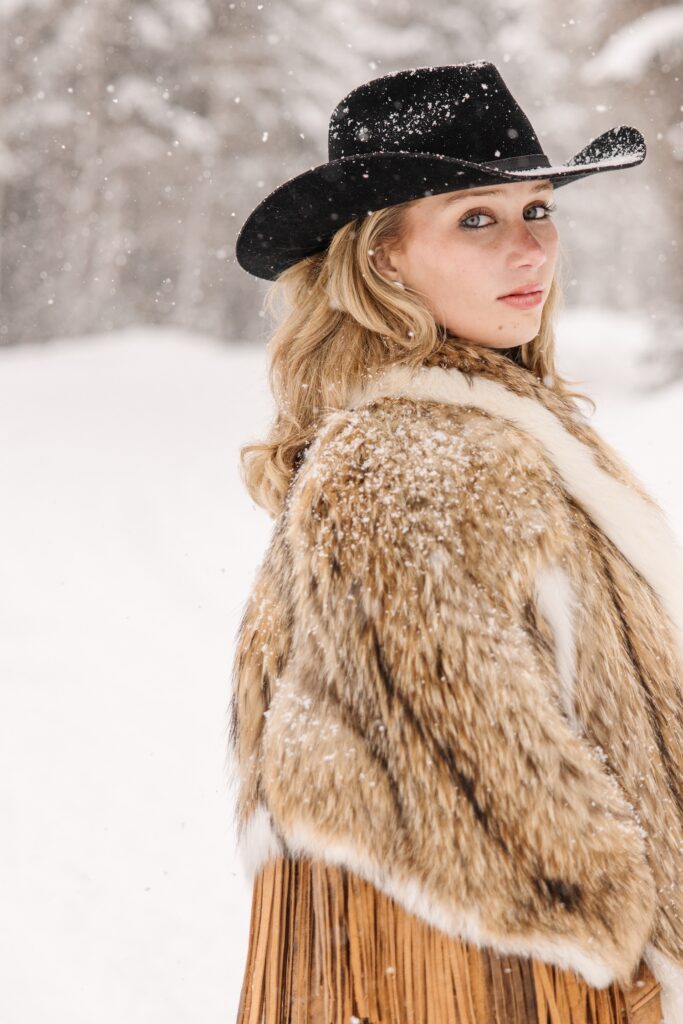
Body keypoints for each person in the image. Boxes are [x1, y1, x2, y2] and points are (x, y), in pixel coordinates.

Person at [229, 61, 682, 1023]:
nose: (531, 247)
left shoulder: (492, 426)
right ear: (383, 259)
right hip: (485, 967)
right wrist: (621, 946)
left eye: (536, 210)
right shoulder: (410, 454)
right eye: (477, 218)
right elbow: (466, 782)